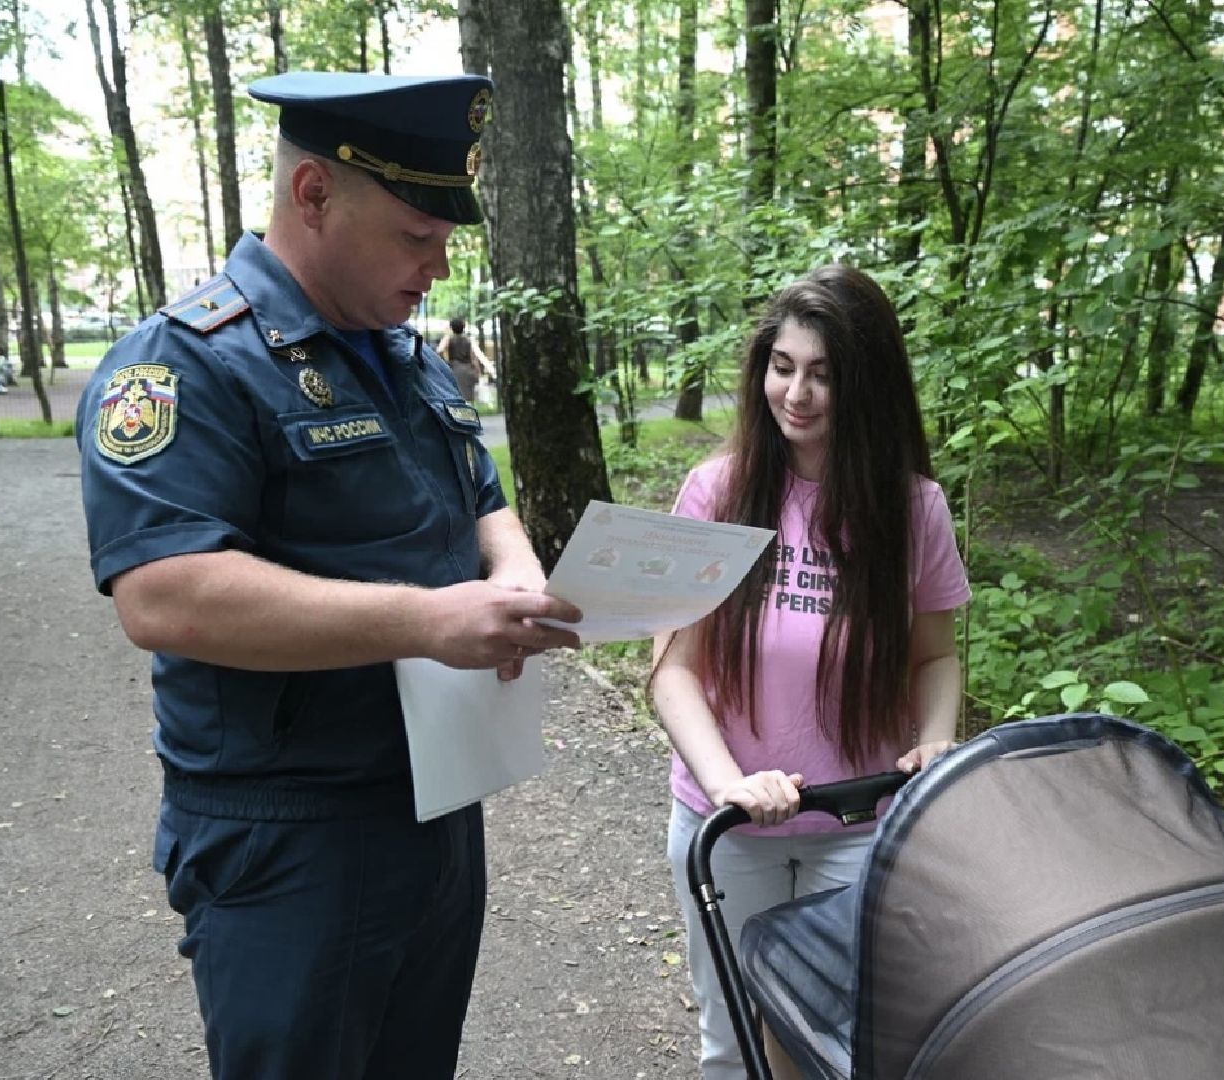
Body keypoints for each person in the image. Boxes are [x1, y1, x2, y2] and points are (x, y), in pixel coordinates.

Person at [74, 71, 581, 1080]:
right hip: (289, 834)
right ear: (312, 195)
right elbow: (162, 592)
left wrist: (516, 569)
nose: (437, 266)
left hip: (434, 802)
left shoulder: (401, 357)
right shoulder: (184, 366)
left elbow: (480, 496)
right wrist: (426, 620)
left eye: (444, 241)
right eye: (413, 237)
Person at [649, 265, 971, 1079]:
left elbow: (933, 654)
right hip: (730, 830)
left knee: (839, 1044)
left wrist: (935, 742)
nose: (796, 392)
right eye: (782, 366)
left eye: (823, 374)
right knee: (732, 1042)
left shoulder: (912, 507)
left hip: (858, 827)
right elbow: (673, 669)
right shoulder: (715, 493)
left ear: (865, 383)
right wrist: (731, 783)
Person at [436, 315, 492, 403]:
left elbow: (439, 350)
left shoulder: (449, 339)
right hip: (467, 370)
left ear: (451, 327)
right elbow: (473, 358)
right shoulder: (468, 340)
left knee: (455, 396)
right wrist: (478, 372)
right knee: (467, 398)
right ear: (463, 327)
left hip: (454, 369)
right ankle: (468, 415)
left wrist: (445, 362)